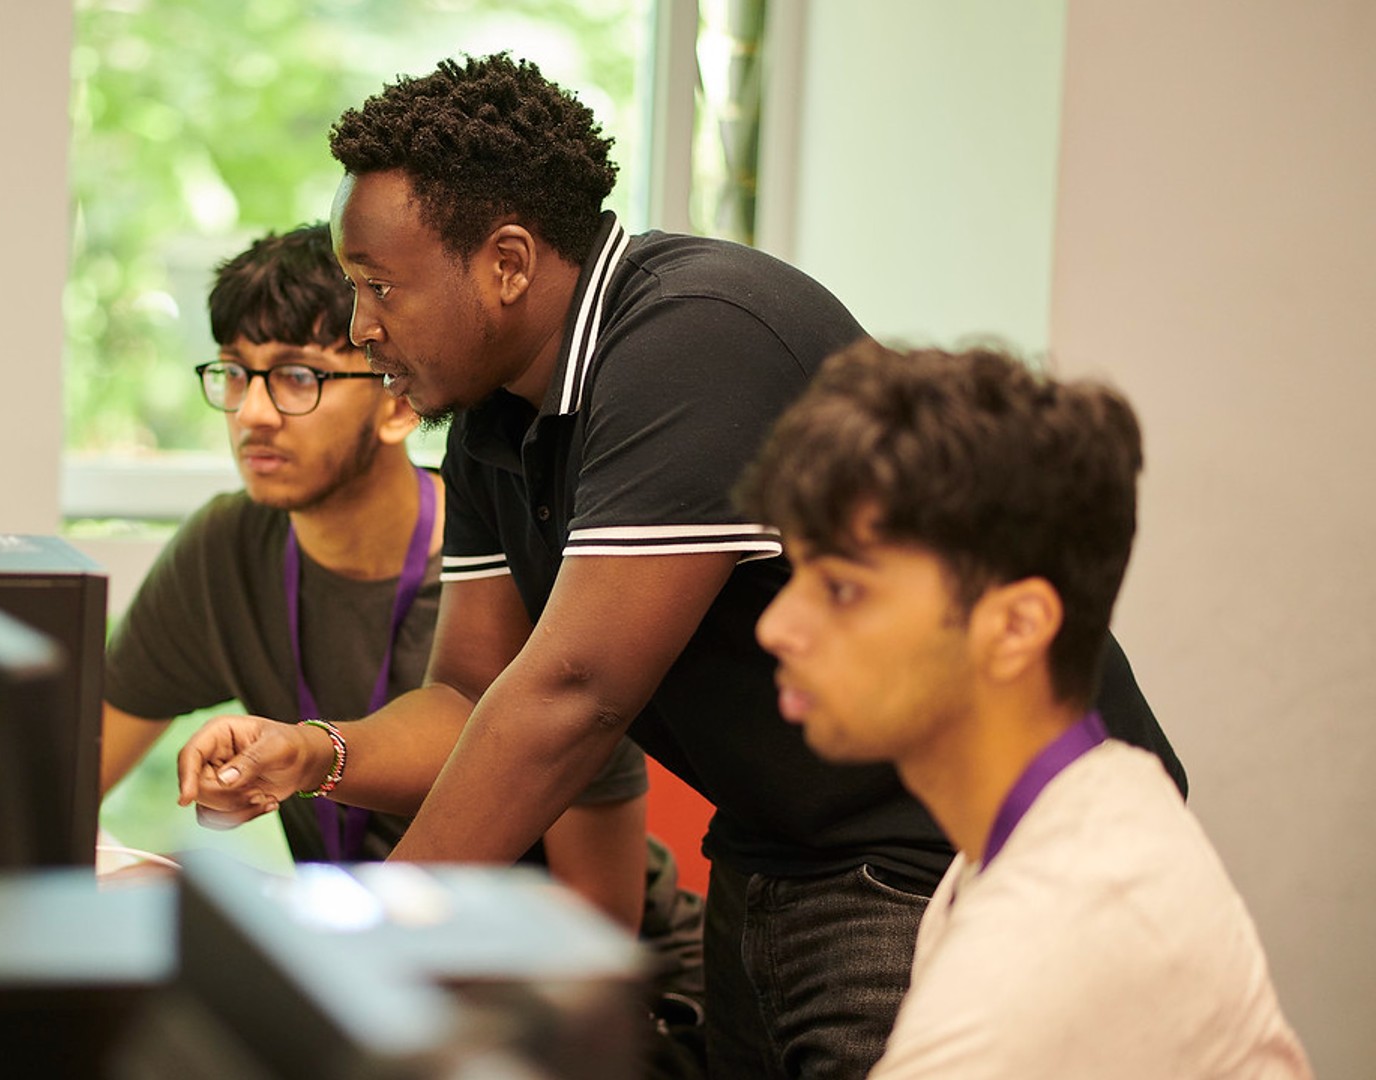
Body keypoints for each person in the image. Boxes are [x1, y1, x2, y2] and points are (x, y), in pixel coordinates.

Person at [174, 54, 1186, 1078]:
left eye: (378, 286)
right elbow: (474, 698)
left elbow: (575, 694)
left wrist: (355, 946)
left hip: (934, 841)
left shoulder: (690, 339)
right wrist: (318, 753)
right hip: (783, 837)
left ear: (509, 263)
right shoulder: (490, 415)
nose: (361, 325)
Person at [97, 222, 708, 1061]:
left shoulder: (506, 582)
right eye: (236, 374)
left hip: (588, 1004)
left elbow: (593, 927)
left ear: (393, 400)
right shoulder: (227, 550)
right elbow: (65, 769)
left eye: (299, 378)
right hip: (375, 980)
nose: (254, 413)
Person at [740, 342, 1309, 1077]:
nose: (774, 627)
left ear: (1015, 627)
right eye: (798, 572)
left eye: (842, 589)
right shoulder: (1097, 794)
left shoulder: (1034, 961)